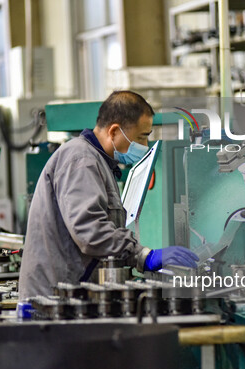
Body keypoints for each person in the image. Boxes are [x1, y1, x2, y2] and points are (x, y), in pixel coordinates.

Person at [18, 91, 198, 298]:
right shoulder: (81, 160)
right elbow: (90, 233)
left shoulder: (98, 162)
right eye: (142, 137)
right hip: (52, 301)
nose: (145, 146)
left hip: (66, 295)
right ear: (114, 131)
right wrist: (144, 256)